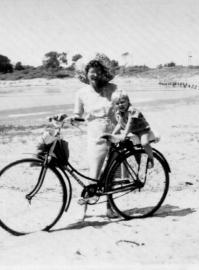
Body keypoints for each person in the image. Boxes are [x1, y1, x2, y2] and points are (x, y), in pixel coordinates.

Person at [69, 55, 119, 218]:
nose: (95, 75)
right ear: (86, 74)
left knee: (112, 173)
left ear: (103, 73)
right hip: (95, 135)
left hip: (114, 133)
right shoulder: (81, 93)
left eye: (98, 72)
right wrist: (70, 119)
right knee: (94, 173)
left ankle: (110, 208)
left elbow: (123, 105)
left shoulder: (112, 89)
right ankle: (82, 209)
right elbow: (77, 114)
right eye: (92, 72)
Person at [111, 90, 154, 168]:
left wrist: (124, 134)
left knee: (144, 143)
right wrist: (113, 134)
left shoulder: (132, 110)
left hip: (142, 129)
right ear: (114, 105)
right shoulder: (119, 112)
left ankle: (151, 158)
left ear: (128, 101)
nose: (120, 105)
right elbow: (120, 124)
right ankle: (139, 162)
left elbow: (130, 123)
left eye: (122, 102)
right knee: (132, 149)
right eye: (117, 103)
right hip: (132, 131)